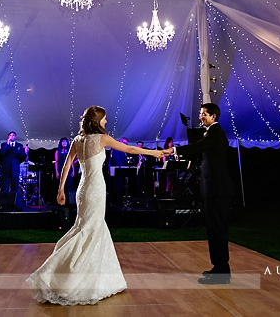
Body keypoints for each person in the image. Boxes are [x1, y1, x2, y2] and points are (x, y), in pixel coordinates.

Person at [26, 106, 168, 305]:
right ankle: (69, 278)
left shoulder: (77, 140)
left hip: (83, 189)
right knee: (90, 230)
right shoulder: (102, 139)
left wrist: (61, 190)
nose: (107, 122)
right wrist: (155, 153)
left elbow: (66, 165)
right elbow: (130, 149)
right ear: (98, 120)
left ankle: (89, 277)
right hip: (95, 189)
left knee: (85, 228)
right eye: (105, 119)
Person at [174, 102, 234, 285]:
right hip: (212, 189)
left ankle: (222, 271)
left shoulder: (215, 133)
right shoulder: (212, 133)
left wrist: (174, 150)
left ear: (213, 116)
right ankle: (218, 268)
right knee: (213, 229)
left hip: (218, 190)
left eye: (203, 114)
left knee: (218, 229)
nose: (200, 116)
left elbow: (198, 147)